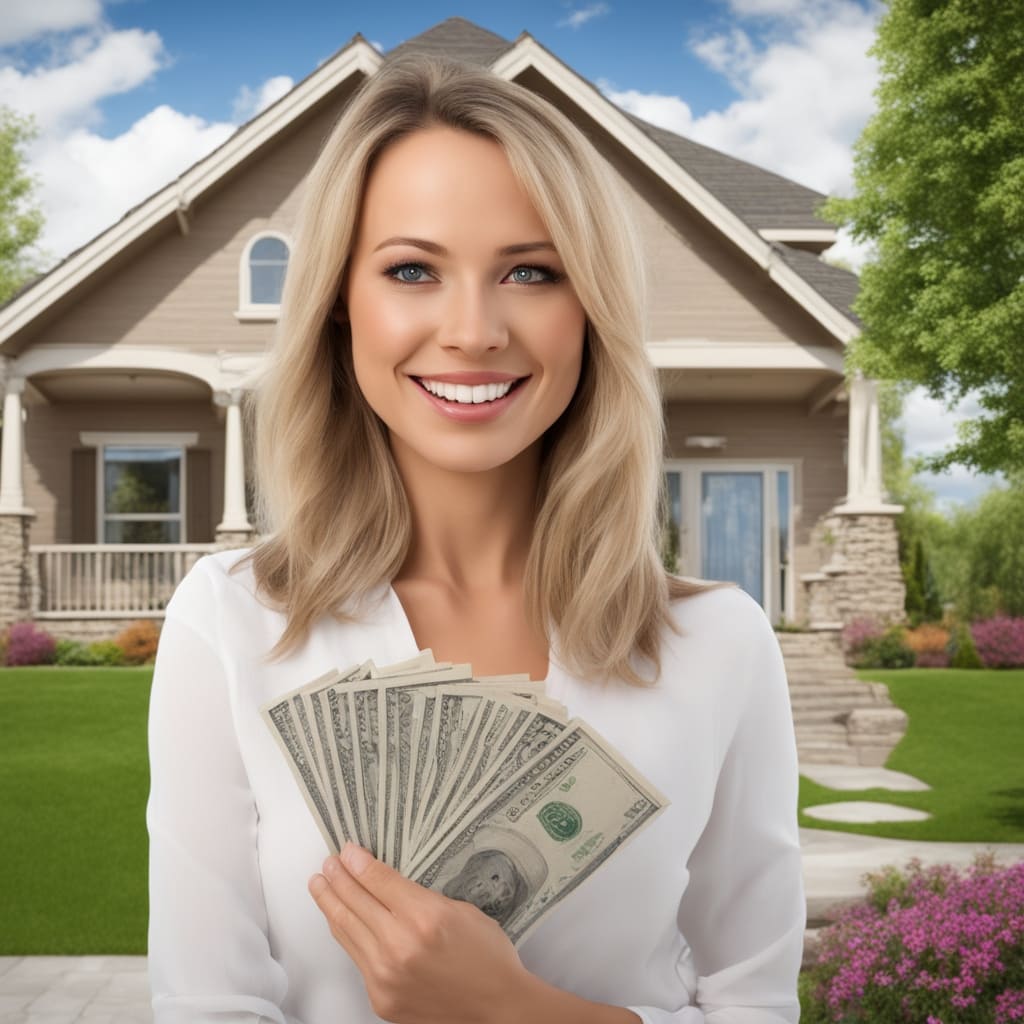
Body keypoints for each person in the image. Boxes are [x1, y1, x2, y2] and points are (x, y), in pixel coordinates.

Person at [147, 54, 806, 1024]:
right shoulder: (233, 621)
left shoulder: (721, 644)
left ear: (588, 309)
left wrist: (511, 1007)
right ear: (339, 303)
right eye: (411, 269)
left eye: (530, 271)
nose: (472, 330)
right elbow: (204, 1007)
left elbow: (756, 1007)